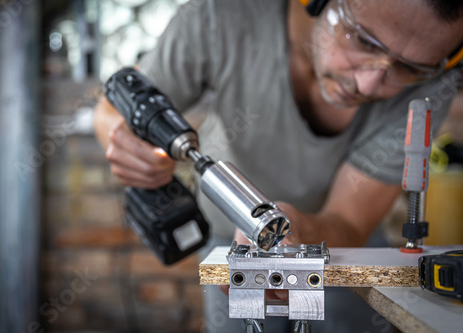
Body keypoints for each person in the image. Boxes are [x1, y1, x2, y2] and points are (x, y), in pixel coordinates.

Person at [94, 0, 463, 331]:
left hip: (342, 245)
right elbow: (112, 109)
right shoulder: (219, 14)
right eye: (364, 41)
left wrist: (300, 231)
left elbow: (349, 223)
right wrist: (126, 142)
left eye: (410, 68)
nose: (368, 85)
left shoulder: (434, 83)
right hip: (229, 239)